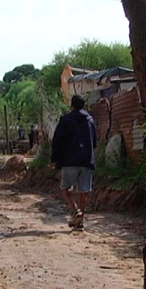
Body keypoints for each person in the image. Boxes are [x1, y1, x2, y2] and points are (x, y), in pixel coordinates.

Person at [50, 95, 97, 230]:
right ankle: (80, 221)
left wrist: (54, 159)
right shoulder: (90, 120)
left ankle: (76, 211)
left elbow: (57, 141)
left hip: (69, 161)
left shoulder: (66, 120)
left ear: (72, 105)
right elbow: (94, 142)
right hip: (86, 161)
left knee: (65, 189)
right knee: (83, 191)